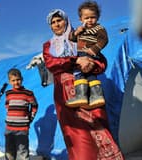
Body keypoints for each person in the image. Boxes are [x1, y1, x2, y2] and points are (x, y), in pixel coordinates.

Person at [43, 9, 124, 159]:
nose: (56, 24)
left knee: (99, 128)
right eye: (53, 23)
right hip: (65, 97)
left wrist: (91, 63)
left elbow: (101, 61)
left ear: (66, 21)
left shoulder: (83, 36)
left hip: (90, 92)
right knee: (77, 136)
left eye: (59, 20)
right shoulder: (49, 45)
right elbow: (51, 64)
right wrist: (76, 61)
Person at [66, 0, 108, 108]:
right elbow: (71, 39)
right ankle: (96, 96)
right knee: (88, 74)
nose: (90, 20)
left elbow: (104, 39)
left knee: (80, 71)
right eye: (86, 18)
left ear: (97, 17)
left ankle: (81, 95)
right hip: (80, 53)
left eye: (92, 17)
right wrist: (76, 32)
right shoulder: (81, 29)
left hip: (89, 53)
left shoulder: (99, 28)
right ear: (81, 19)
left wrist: (94, 49)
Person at [4, 68, 38, 160]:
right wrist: (11, 117)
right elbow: (7, 105)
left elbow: (34, 106)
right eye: (13, 80)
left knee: (22, 151)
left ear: (22, 79)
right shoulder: (8, 93)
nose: (16, 82)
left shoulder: (28, 93)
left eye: (18, 79)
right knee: (9, 151)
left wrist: (30, 119)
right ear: (10, 81)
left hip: (22, 128)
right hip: (9, 128)